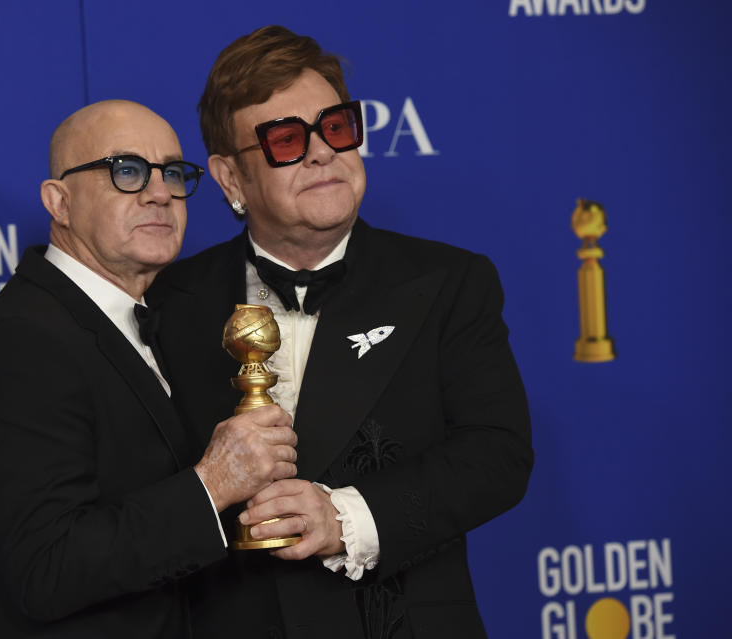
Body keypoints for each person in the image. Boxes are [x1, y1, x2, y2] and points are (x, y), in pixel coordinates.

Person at [144, 26, 534, 638]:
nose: (322, 152)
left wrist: (346, 517)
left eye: (336, 127)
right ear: (229, 180)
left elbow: (497, 455)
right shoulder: (167, 301)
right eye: (285, 140)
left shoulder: (449, 281)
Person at [0, 100, 297, 638]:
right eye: (126, 171)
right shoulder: (21, 342)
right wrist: (212, 483)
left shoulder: (157, 318)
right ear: (60, 203)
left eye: (172, 172)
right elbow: (46, 569)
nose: (160, 192)